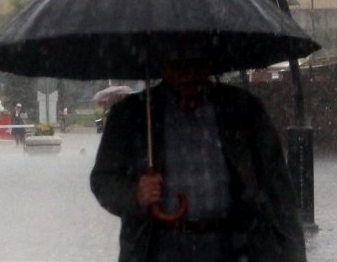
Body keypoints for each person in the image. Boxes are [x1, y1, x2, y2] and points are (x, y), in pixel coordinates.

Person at [89, 51, 306, 262]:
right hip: (157, 248)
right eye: (179, 64)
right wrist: (135, 193)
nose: (189, 74)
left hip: (233, 246)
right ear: (161, 62)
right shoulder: (131, 115)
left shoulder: (244, 109)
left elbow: (278, 190)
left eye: (197, 63)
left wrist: (293, 253)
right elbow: (103, 180)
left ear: (210, 63)